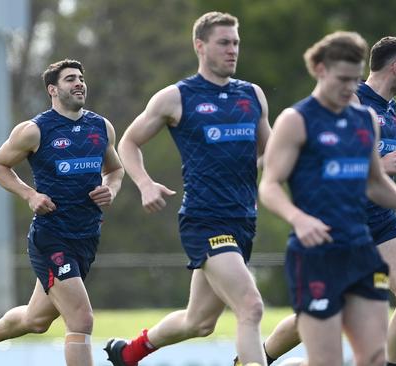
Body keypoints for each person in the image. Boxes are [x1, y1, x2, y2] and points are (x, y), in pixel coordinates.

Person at [257, 31, 396, 366]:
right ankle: (258, 358)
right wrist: (298, 218)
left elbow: (373, 182)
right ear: (319, 69)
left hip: (372, 231)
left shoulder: (365, 117)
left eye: (355, 79)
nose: (350, 89)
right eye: (344, 79)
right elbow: (269, 185)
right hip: (324, 242)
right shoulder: (296, 121)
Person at [104, 11, 271, 366]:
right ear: (200, 46)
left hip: (243, 219)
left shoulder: (252, 95)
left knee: (200, 322)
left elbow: (270, 153)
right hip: (205, 220)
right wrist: (145, 184)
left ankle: (129, 353)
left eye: (236, 43)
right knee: (250, 306)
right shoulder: (176, 97)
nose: (232, 50)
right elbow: (128, 143)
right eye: (224, 43)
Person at [0, 59, 124, 366]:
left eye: (81, 78)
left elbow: (115, 170)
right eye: (70, 79)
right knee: (81, 320)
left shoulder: (101, 127)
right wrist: (30, 194)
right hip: (51, 237)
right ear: (53, 89)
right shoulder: (35, 130)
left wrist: (110, 188)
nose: (79, 83)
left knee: (36, 320)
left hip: (86, 237)